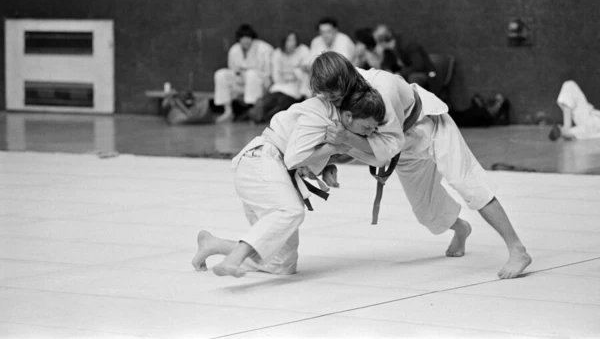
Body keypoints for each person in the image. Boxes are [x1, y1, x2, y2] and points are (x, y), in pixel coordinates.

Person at [310, 51, 532, 280]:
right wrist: (329, 160)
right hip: (400, 145)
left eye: (334, 98)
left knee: (468, 183)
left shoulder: (382, 88)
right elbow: (344, 135)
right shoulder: (332, 91)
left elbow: (387, 149)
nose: (332, 103)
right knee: (427, 213)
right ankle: (461, 228)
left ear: (345, 83)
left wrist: (345, 141)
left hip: (428, 125)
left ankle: (517, 249)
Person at [191, 85, 387, 277]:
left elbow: (308, 155)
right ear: (349, 116)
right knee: (291, 210)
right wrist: (334, 150)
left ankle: (214, 244)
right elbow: (294, 158)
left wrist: (327, 164)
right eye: (367, 127)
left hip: (272, 173)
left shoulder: (339, 130)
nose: (369, 133)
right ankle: (233, 260)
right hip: (260, 162)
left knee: (282, 264)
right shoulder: (321, 116)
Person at [213, 24, 274, 122]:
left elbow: (268, 73)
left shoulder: (264, 49)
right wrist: (239, 73)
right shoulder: (234, 50)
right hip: (241, 84)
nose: (246, 40)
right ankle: (228, 111)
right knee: (220, 74)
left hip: (260, 85)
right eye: (243, 38)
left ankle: (254, 111)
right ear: (239, 39)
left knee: (251, 74)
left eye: (248, 37)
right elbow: (232, 69)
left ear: (252, 37)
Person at [248, 31, 312, 123]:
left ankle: (266, 117)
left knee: (282, 103)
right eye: (289, 40)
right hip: (279, 87)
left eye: (293, 40)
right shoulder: (277, 53)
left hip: (297, 90)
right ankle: (256, 113)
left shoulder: (303, 50)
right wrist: (291, 75)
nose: (292, 43)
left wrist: (295, 73)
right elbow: (276, 77)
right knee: (271, 100)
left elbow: (305, 72)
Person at [373, 24, 437, 90]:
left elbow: (418, 66)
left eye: (377, 41)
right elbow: (386, 66)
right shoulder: (388, 51)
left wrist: (400, 73)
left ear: (381, 42)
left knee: (412, 78)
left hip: (426, 74)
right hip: (406, 74)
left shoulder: (408, 45)